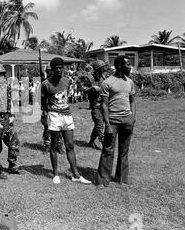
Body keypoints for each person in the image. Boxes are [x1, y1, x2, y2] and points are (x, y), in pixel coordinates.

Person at [41, 57, 91, 185]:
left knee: (70, 145)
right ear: (51, 70)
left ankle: (75, 174)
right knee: (54, 145)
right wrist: (50, 113)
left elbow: (81, 88)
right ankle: (56, 174)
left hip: (67, 116)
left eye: (60, 67)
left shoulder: (67, 81)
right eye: (56, 68)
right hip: (54, 116)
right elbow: (43, 102)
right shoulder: (46, 84)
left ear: (63, 68)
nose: (58, 70)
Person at [96, 55, 136, 187]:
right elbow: (104, 105)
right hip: (112, 121)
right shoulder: (107, 82)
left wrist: (132, 117)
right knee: (108, 150)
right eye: (128, 64)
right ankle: (102, 181)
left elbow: (132, 101)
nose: (130, 67)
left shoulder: (129, 82)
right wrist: (107, 124)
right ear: (119, 66)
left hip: (127, 120)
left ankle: (122, 179)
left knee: (124, 150)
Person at [0, 64, 23, 179]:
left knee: (14, 142)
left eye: (3, 74)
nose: (3, 77)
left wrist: (12, 115)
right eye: (0, 75)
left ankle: (12, 165)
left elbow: (10, 102)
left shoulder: (5, 87)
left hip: (6, 120)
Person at [85, 60, 110, 150]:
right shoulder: (90, 78)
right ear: (97, 69)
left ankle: (91, 141)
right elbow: (83, 88)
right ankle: (104, 143)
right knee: (99, 124)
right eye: (101, 68)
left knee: (98, 125)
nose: (104, 69)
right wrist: (92, 88)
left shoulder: (104, 77)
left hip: (104, 104)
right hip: (95, 105)